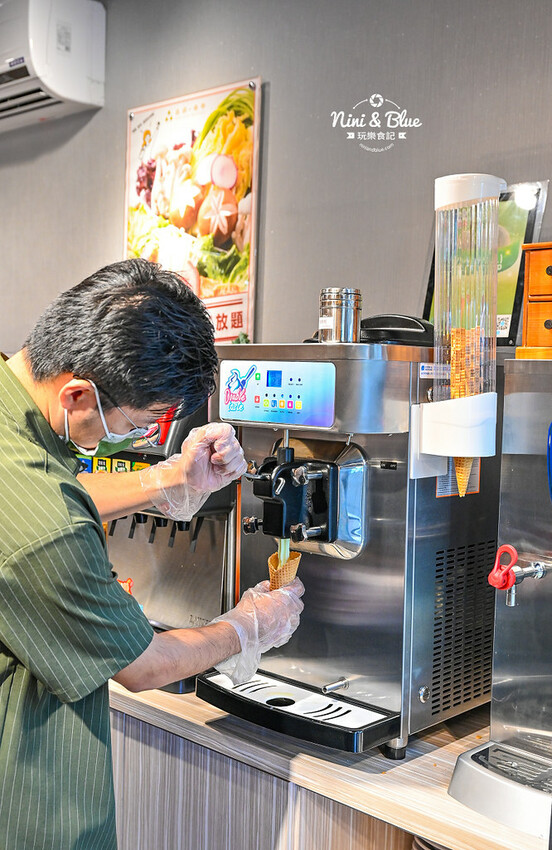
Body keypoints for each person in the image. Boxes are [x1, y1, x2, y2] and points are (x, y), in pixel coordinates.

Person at [0, 258, 304, 849]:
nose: (138, 439)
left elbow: (37, 496)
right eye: (138, 424)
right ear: (78, 395)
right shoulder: (50, 532)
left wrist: (169, 482)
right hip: (29, 804)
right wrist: (248, 625)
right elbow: (143, 666)